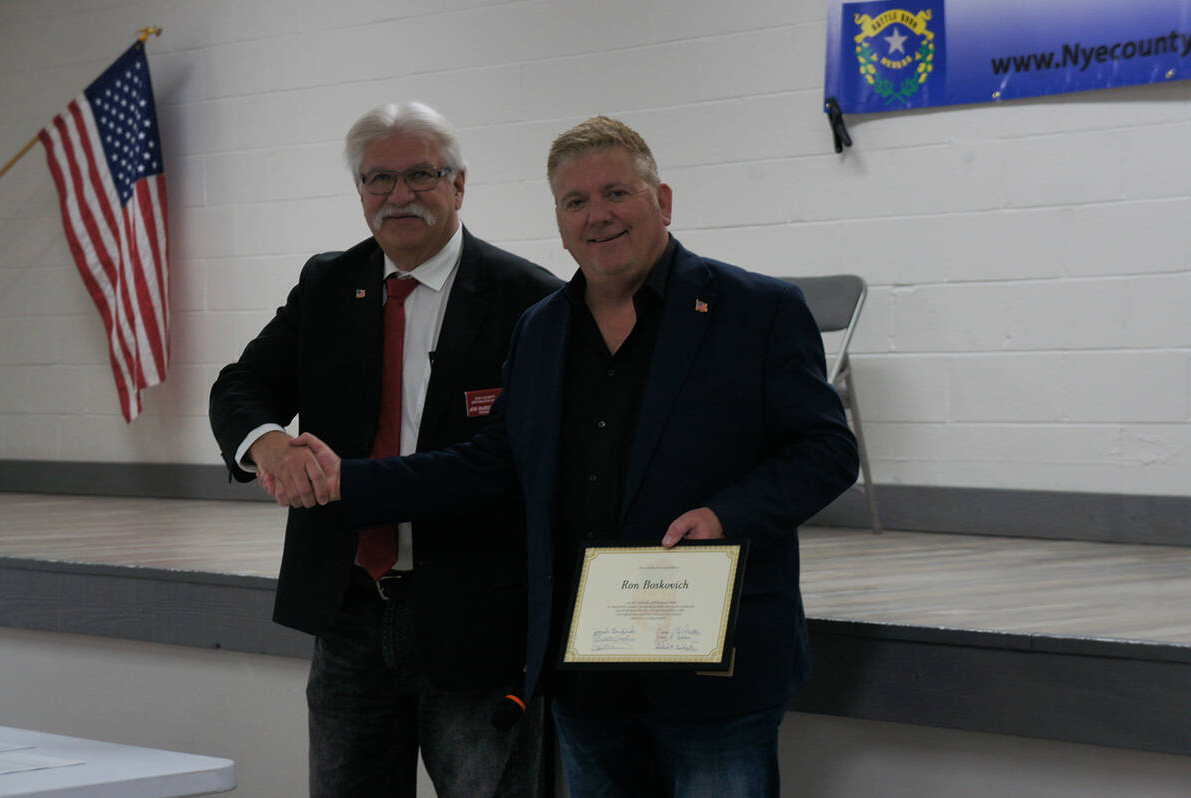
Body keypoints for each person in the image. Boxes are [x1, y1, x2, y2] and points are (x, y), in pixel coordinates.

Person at [290, 115, 859, 797]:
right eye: (575, 201)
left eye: (617, 193)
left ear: (663, 201)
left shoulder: (755, 310)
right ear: (559, 218)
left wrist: (724, 514)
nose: (598, 216)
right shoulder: (543, 329)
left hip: (715, 666)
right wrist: (345, 484)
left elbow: (827, 450)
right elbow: (490, 462)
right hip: (587, 671)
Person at [208, 101, 561, 797]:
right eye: (378, 179)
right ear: (360, 192)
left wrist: (351, 482)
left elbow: (506, 465)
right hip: (348, 612)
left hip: (477, 618)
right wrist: (269, 443)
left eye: (421, 175)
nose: (398, 195)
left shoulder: (530, 299)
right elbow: (240, 386)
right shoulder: (328, 284)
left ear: (459, 185)